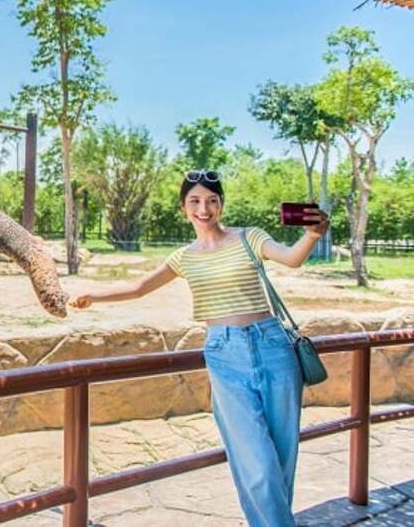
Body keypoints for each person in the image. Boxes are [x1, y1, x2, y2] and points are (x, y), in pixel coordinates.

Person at [72, 169, 329, 527]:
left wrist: (313, 235)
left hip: (273, 346)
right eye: (194, 201)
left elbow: (291, 257)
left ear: (221, 205)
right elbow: (139, 289)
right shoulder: (184, 257)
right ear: (184, 208)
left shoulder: (248, 237)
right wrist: (92, 296)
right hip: (225, 355)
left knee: (282, 453)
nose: (203, 208)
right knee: (254, 458)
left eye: (211, 200)